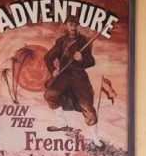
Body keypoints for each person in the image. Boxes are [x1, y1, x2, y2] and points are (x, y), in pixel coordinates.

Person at [44, 15, 103, 147]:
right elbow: (48, 57)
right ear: (66, 26)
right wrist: (53, 69)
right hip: (64, 75)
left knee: (87, 106)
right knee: (50, 95)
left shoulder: (84, 41)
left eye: (75, 25)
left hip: (78, 76)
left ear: (78, 27)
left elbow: (91, 61)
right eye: (71, 25)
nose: (73, 27)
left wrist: (82, 59)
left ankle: (96, 139)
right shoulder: (61, 41)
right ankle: (62, 123)